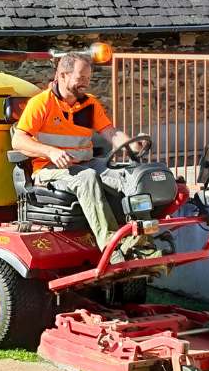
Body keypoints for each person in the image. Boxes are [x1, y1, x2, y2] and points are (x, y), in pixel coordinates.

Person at [13, 52, 152, 261]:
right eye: (81, 78)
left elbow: (110, 132)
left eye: (88, 78)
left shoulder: (90, 104)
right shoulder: (40, 104)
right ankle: (112, 247)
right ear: (62, 76)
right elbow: (18, 141)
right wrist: (50, 151)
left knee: (129, 176)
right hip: (49, 170)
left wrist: (131, 144)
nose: (86, 83)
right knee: (87, 178)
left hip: (86, 164)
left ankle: (142, 238)